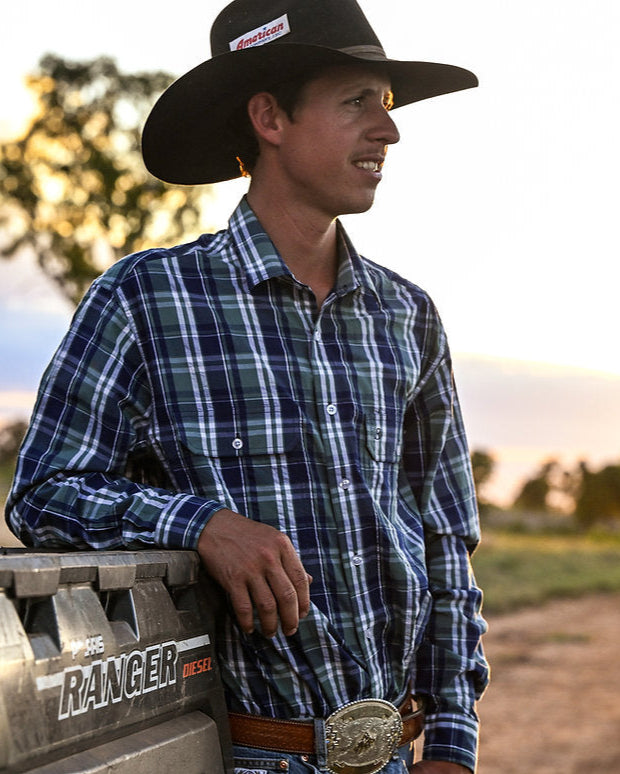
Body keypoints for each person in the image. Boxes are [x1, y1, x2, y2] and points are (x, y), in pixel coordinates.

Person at [6, 1, 489, 771]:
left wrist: (454, 743)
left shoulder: (409, 316)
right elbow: (44, 494)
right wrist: (201, 525)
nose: (388, 130)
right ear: (269, 118)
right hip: (247, 755)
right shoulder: (146, 300)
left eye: (388, 104)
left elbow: (445, 541)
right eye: (357, 102)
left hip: (399, 756)